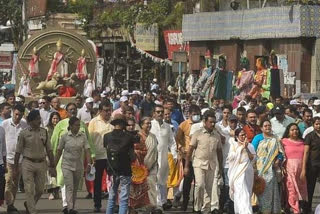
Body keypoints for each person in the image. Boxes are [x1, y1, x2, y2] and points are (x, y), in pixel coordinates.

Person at [51, 103, 95, 214]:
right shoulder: (62, 129)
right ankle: (68, 206)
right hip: (65, 163)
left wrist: (90, 163)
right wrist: (53, 164)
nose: (78, 126)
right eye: (70, 109)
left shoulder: (83, 132)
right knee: (67, 185)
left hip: (78, 163)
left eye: (74, 109)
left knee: (75, 188)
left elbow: (88, 148)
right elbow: (57, 148)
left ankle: (71, 206)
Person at [14, 110, 56, 214]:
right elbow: (18, 151)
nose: (39, 121)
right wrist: (16, 168)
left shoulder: (44, 132)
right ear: (31, 121)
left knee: (40, 190)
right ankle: (32, 211)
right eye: (37, 119)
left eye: (39, 118)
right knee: (29, 189)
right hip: (28, 162)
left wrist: (53, 166)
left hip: (41, 163)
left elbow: (49, 150)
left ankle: (29, 204)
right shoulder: (24, 133)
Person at [184, 109, 223, 214]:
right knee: (200, 185)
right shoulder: (198, 134)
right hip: (198, 163)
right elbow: (190, 150)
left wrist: (221, 168)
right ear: (205, 122)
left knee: (209, 188)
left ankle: (205, 210)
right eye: (210, 122)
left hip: (212, 164)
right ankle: (197, 208)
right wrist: (187, 166)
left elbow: (219, 152)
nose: (213, 124)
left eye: (214, 122)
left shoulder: (217, 135)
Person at [104, 114, 136, 214]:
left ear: (114, 124)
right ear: (123, 124)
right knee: (124, 198)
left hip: (111, 170)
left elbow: (107, 151)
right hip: (125, 170)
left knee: (112, 197)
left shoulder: (106, 136)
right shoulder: (129, 137)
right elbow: (132, 156)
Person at [252, 120, 284, 214]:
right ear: (261, 128)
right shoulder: (258, 138)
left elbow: (281, 153)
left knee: (270, 191)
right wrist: (254, 168)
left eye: (269, 125)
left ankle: (269, 210)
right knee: (260, 189)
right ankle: (260, 210)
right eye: (265, 126)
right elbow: (252, 152)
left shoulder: (275, 138)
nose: (267, 127)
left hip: (271, 169)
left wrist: (278, 160)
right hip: (259, 168)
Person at [150, 105, 177, 211]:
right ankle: (157, 203)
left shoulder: (167, 127)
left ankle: (163, 200)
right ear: (154, 113)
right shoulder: (150, 125)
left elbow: (172, 142)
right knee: (155, 179)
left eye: (162, 112)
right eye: (158, 112)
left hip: (164, 156)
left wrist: (174, 155)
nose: (160, 114)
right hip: (153, 157)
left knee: (163, 180)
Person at [2, 104, 28, 213]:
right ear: (13, 112)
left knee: (15, 182)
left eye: (20, 115)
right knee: (8, 181)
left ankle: (11, 204)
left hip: (20, 159)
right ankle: (8, 204)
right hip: (7, 157)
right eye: (16, 114)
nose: (17, 117)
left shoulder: (24, 124)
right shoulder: (5, 124)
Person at [88, 101, 113, 213]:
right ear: (100, 111)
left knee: (113, 181)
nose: (108, 112)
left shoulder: (113, 122)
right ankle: (97, 204)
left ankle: (113, 204)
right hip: (98, 156)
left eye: (109, 110)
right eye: (106, 110)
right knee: (97, 182)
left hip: (111, 156)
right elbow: (89, 140)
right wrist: (91, 156)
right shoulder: (94, 122)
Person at [175, 105, 201, 211]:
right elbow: (178, 138)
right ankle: (184, 203)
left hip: (199, 155)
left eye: (197, 114)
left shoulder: (201, 125)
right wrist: (181, 149)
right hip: (187, 156)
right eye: (194, 114)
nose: (196, 116)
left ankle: (196, 204)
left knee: (198, 182)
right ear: (189, 114)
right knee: (187, 181)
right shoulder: (184, 125)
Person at [227, 128, 255, 214]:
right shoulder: (234, 146)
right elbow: (231, 158)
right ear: (236, 136)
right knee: (242, 193)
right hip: (237, 173)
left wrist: (245, 148)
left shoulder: (250, 146)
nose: (244, 136)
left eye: (245, 135)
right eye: (241, 135)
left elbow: (252, 158)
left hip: (248, 172)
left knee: (247, 192)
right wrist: (240, 149)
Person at [282, 123, 307, 214]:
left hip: (300, 169)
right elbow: (280, 155)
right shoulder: (283, 141)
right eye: (292, 130)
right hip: (289, 168)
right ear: (288, 132)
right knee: (291, 189)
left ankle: (294, 207)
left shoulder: (303, 142)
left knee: (300, 190)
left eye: (296, 129)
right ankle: (296, 210)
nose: (295, 131)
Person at [137, 117, 159, 213]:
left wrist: (153, 165)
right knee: (140, 189)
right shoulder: (138, 137)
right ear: (141, 125)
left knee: (152, 187)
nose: (149, 125)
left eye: (150, 123)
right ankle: (141, 208)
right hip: (139, 168)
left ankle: (153, 206)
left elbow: (155, 152)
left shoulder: (153, 137)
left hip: (152, 166)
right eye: (147, 123)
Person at [301, 117, 320, 213]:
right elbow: (306, 152)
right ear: (313, 125)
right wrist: (303, 168)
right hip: (312, 165)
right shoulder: (309, 136)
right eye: (316, 124)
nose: (319, 126)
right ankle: (307, 209)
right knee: (310, 188)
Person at [45, 112, 61, 200]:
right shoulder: (47, 129)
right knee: (50, 174)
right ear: (51, 119)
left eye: (57, 118)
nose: (55, 120)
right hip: (49, 153)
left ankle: (56, 191)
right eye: (53, 118)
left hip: (59, 154)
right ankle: (52, 192)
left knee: (58, 173)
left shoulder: (62, 128)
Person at [0, 126, 6, 207]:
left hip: (0, 163)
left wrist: (5, 164)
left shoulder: (1, 129)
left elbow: (4, 149)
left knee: (1, 186)